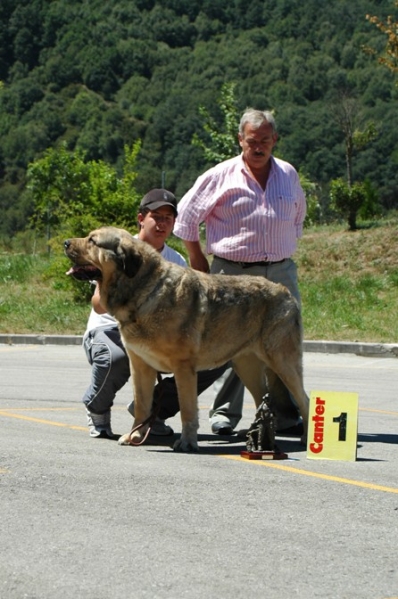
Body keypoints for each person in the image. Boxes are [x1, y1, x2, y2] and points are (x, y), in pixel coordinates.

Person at [173, 108, 307, 437]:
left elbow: (298, 217)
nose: (258, 147)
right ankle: (225, 413)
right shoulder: (220, 175)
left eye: (265, 141)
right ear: (240, 140)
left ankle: (285, 417)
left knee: (284, 345)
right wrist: (198, 261)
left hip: (280, 272)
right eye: (251, 141)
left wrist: (281, 250)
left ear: (275, 140)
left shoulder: (288, 174)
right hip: (232, 273)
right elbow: (186, 219)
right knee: (234, 343)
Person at [82, 188, 228, 438]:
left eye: (167, 219)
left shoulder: (176, 262)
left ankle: (153, 412)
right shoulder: (117, 250)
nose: (161, 223)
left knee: (216, 357)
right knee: (116, 358)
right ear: (141, 218)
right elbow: (98, 304)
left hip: (158, 335)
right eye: (155, 216)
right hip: (109, 329)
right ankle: (97, 409)